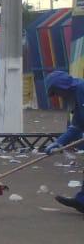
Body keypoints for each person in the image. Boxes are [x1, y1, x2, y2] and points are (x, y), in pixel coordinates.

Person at [44, 70, 84, 213]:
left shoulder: (82, 89)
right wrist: (59, 142)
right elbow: (77, 126)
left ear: (62, 87)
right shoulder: (74, 98)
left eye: (56, 92)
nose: (58, 96)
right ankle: (82, 201)